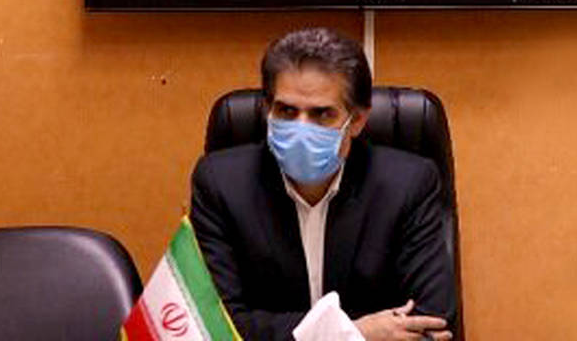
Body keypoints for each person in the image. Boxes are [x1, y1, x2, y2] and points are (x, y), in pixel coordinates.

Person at [190, 27, 457, 340]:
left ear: (357, 120)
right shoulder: (220, 185)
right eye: (286, 111)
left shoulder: (408, 185)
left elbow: (431, 320)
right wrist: (353, 333)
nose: (301, 128)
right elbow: (217, 325)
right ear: (267, 110)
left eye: (322, 114)